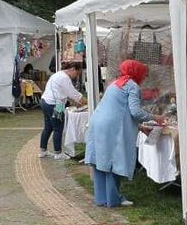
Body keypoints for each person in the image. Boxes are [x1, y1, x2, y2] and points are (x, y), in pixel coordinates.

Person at [84, 59, 157, 207]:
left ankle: (102, 198)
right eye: (143, 73)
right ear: (137, 72)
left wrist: (140, 128)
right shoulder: (132, 86)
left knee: (100, 160)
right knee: (113, 160)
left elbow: (120, 110)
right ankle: (114, 198)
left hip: (98, 122)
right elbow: (135, 112)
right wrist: (155, 117)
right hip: (110, 126)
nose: (144, 77)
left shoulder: (115, 83)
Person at [39, 61, 86, 158]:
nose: (76, 76)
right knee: (58, 128)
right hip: (55, 105)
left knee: (48, 127)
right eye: (77, 73)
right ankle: (58, 153)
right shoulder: (64, 78)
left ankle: (43, 151)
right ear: (72, 69)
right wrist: (86, 101)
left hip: (46, 101)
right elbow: (73, 93)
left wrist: (74, 101)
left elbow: (64, 92)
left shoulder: (58, 74)